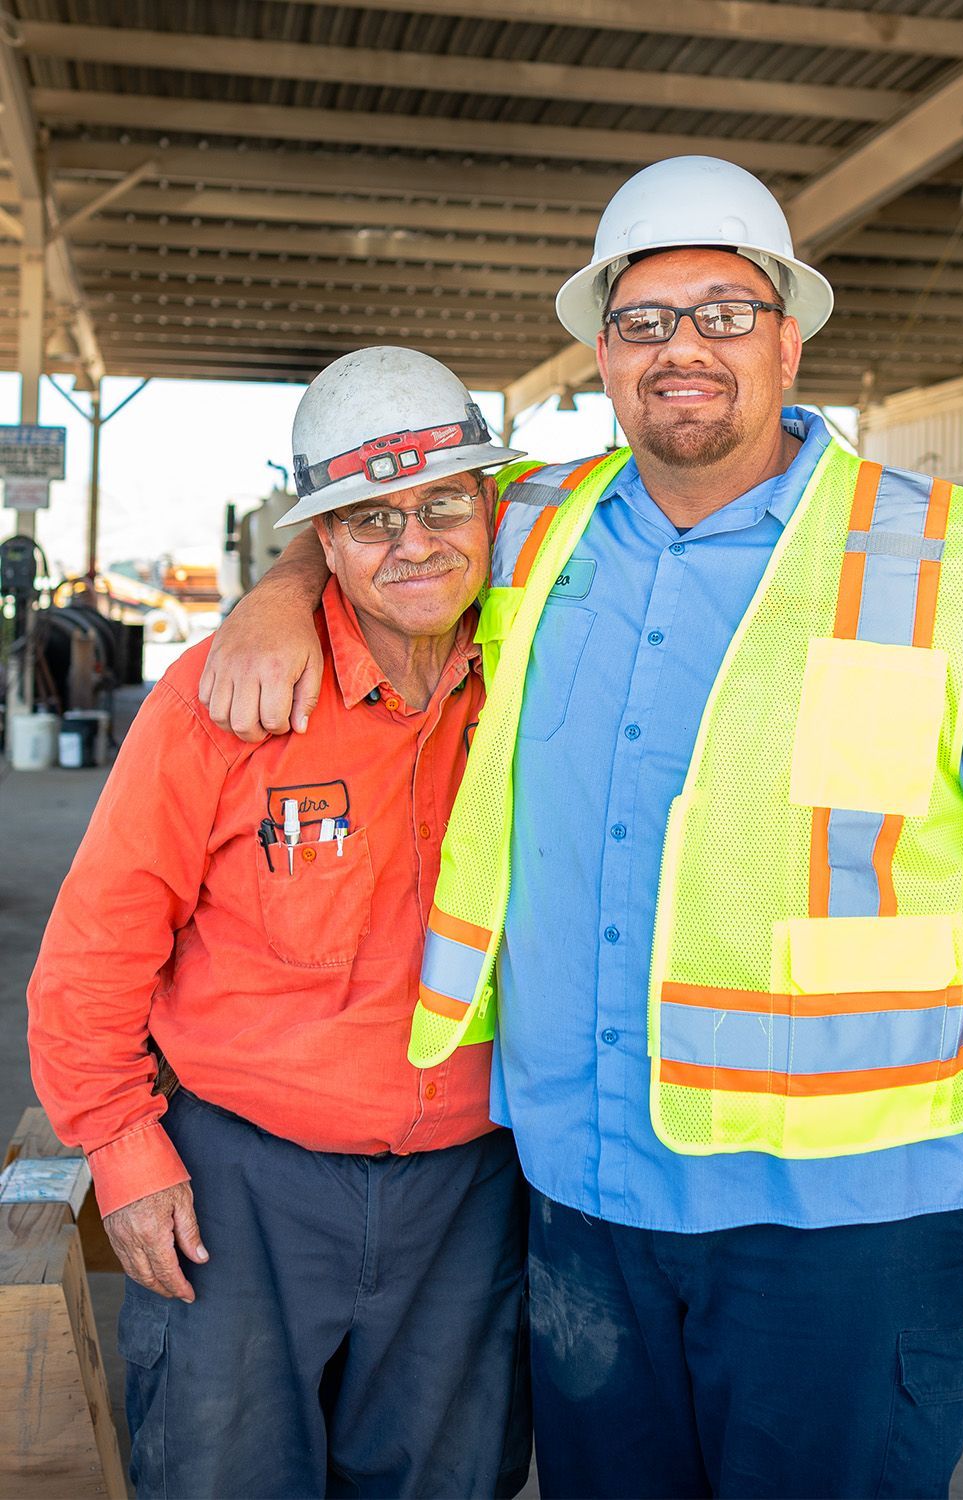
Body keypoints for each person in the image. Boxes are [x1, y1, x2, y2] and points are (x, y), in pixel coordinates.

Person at [200, 159, 963, 1500]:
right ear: (602, 352)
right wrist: (280, 585)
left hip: (842, 1223)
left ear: (790, 336)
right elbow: (385, 524)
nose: (682, 347)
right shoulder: (531, 528)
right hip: (590, 1201)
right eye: (645, 321)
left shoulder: (936, 563)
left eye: (723, 310)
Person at [27, 347, 532, 1500]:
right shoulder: (224, 701)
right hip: (240, 1189)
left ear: (492, 504)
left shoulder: (535, 677)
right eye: (364, 521)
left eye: (442, 502)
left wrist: (291, 568)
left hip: (470, 1188)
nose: (412, 542)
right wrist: (123, 1148)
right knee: (222, 1477)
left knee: (445, 1483)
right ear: (327, 538)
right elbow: (94, 953)